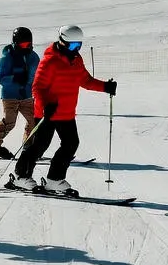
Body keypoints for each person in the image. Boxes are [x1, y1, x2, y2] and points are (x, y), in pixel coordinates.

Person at [12, 23, 116, 196]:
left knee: (71, 144)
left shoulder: (76, 60)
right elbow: (37, 87)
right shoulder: (50, 60)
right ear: (63, 42)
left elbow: (86, 80)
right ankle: (20, 176)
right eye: (74, 45)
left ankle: (54, 179)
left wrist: (105, 86)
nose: (77, 49)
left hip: (66, 112)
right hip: (48, 113)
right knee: (39, 145)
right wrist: (46, 105)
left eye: (79, 45)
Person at [0, 26, 40, 158]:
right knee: (9, 122)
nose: (26, 47)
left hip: (27, 96)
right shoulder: (7, 55)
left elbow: (38, 75)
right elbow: (1, 78)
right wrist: (16, 78)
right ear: (15, 42)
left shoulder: (33, 57)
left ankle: (28, 147)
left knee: (34, 121)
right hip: (10, 96)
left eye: (28, 44)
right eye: (23, 44)